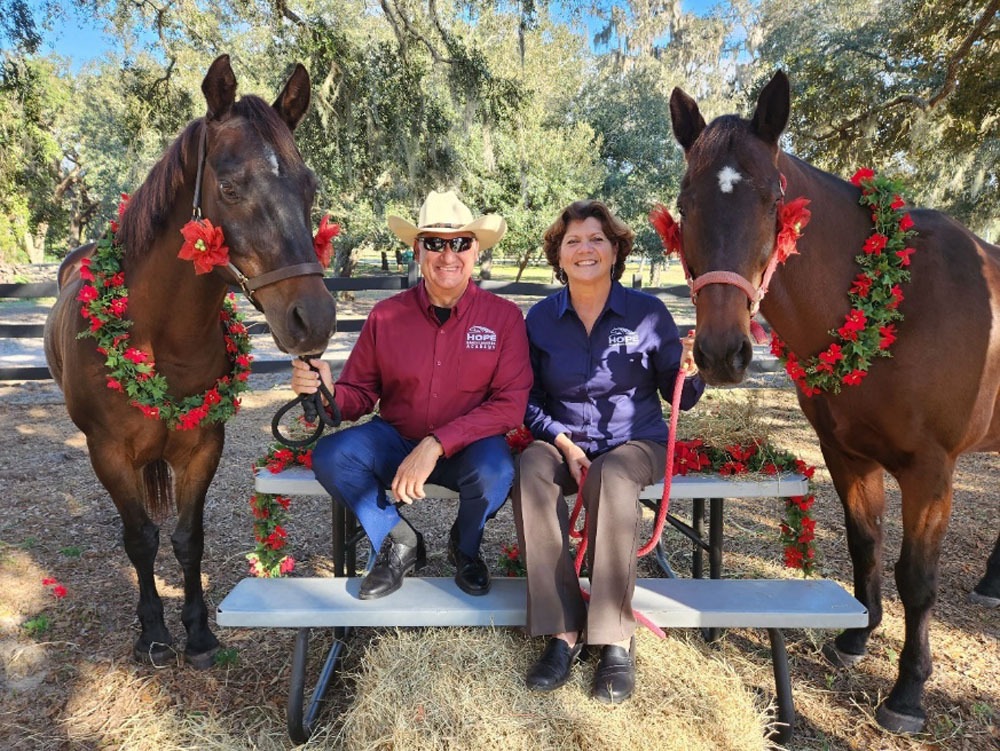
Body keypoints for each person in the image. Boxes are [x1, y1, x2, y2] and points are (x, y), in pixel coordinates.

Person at [291, 190, 531, 599]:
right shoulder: (386, 315)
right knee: (333, 456)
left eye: (460, 243)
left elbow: (510, 405)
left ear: (476, 251)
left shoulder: (504, 318)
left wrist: (437, 444)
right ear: (418, 250)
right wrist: (328, 392)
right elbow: (360, 394)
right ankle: (401, 540)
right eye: (435, 242)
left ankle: (466, 548)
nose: (448, 254)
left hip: (469, 449)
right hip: (396, 438)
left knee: (498, 471)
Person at [511, 199, 704, 703]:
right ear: (559, 255)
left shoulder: (648, 314)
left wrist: (693, 367)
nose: (585, 249)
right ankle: (563, 630)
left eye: (596, 238)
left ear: (616, 249)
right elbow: (525, 401)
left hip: (636, 443)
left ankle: (615, 636)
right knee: (530, 467)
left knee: (612, 475)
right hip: (564, 440)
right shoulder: (539, 320)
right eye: (573, 241)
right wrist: (563, 443)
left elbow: (678, 393)